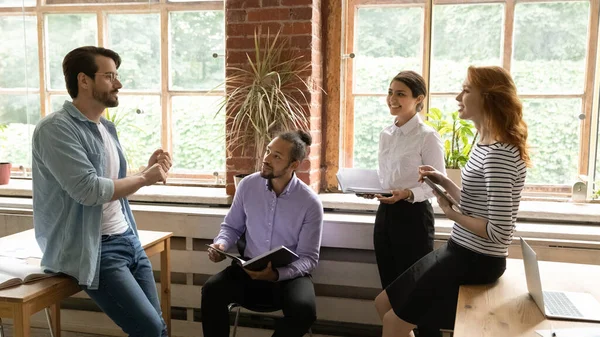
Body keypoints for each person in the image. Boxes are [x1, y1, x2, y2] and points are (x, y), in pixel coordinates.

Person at [373, 65, 529, 337]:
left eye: (466, 90)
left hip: (476, 258)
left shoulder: (499, 155)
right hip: (458, 248)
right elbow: (473, 202)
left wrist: (452, 214)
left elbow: (499, 232)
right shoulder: (483, 144)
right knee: (382, 303)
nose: (458, 97)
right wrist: (443, 182)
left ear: (488, 98)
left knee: (394, 322)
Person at [32, 46, 172, 337]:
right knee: (150, 329)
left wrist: (141, 173)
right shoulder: (54, 129)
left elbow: (111, 189)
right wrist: (145, 178)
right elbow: (89, 191)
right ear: (84, 80)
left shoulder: (106, 128)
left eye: (116, 76)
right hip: (96, 251)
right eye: (109, 76)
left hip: (127, 239)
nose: (118, 84)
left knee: (156, 327)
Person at [202, 130, 323, 337]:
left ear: (293, 165)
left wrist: (277, 274)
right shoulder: (248, 185)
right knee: (211, 290)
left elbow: (309, 259)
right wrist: (221, 244)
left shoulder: (310, 203)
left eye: (277, 156)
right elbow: (231, 226)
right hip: (248, 267)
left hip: (288, 275)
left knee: (304, 311)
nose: (266, 159)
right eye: (268, 151)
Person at [362, 71, 445, 336]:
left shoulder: (427, 136)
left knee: (418, 294)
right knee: (391, 292)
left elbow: (438, 186)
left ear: (418, 99)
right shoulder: (386, 134)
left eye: (400, 94)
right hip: (385, 214)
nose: (392, 99)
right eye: (390, 92)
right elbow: (387, 178)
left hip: (414, 218)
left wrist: (408, 194)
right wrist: (371, 189)